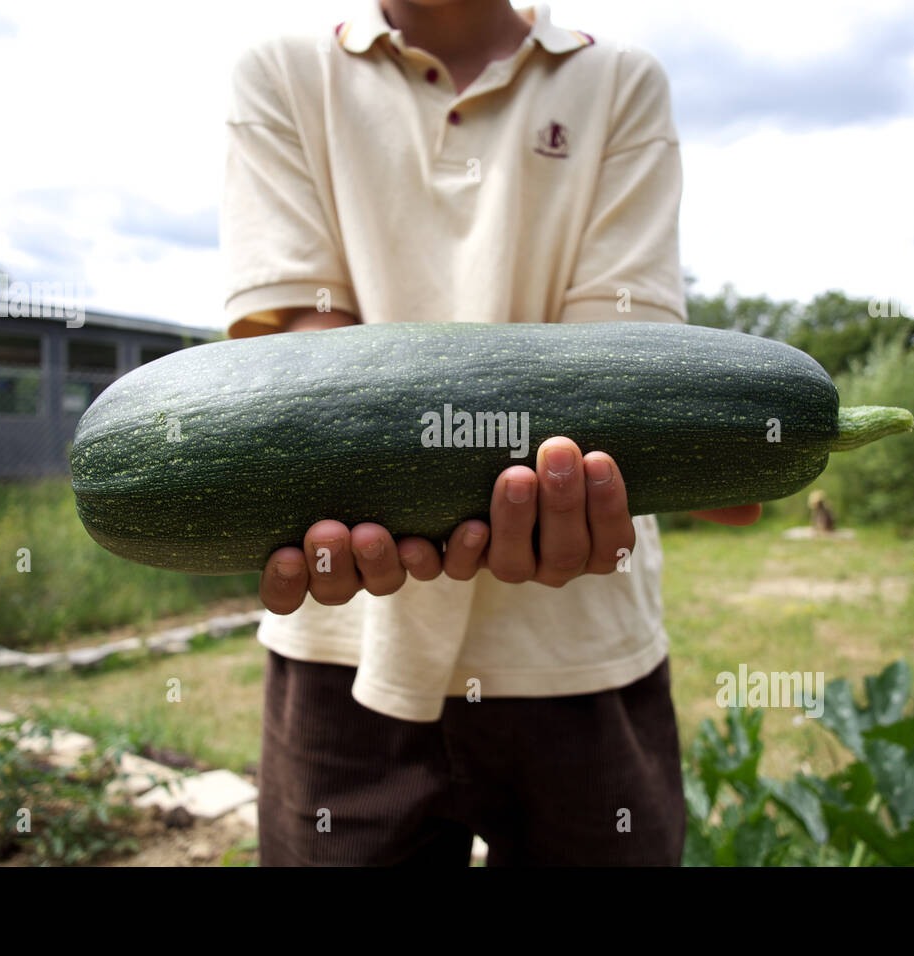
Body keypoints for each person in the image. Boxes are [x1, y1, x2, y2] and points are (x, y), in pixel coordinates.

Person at [221, 0, 760, 866]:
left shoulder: (617, 80)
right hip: (345, 641)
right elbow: (305, 366)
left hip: (578, 649)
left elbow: (622, 378)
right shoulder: (283, 72)